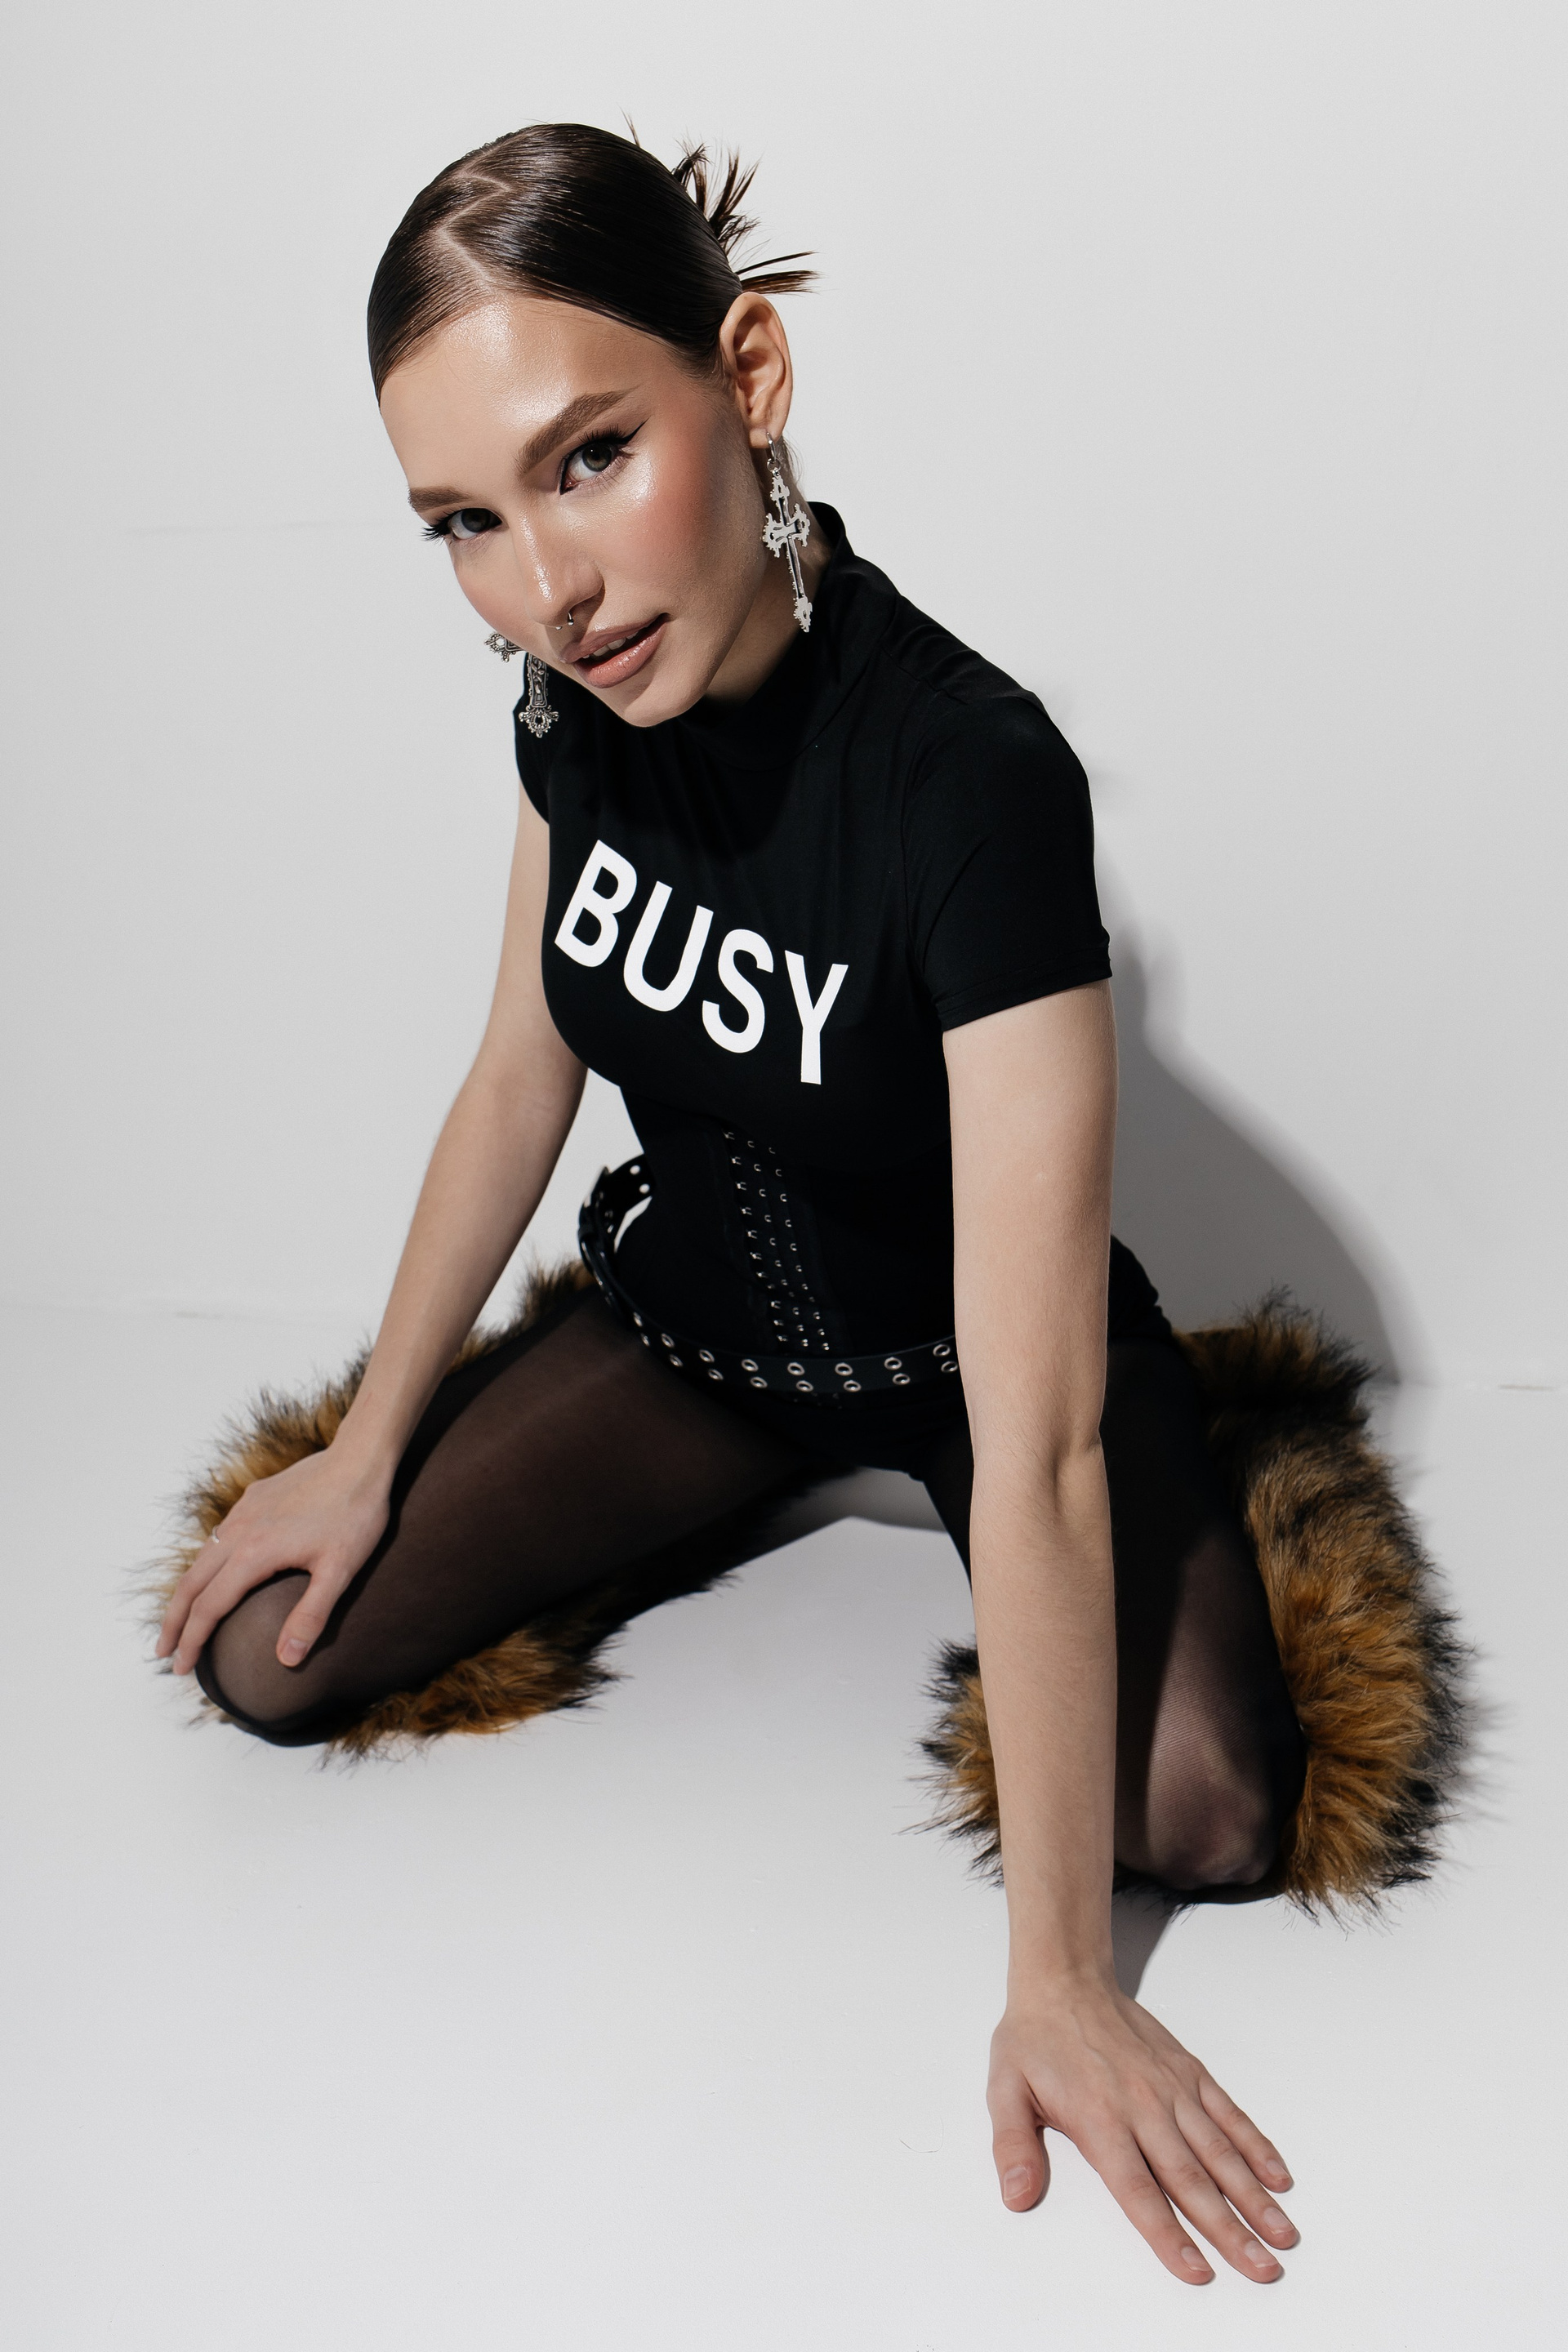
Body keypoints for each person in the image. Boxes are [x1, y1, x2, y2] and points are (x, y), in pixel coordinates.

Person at [154, 123, 1462, 2286]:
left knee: (1210, 1818)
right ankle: (684, 1460)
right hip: (701, 1336)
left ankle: (1221, 1458)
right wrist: (369, 1447)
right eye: (465, 522)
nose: (546, 586)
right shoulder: (573, 701)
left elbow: (1035, 1433)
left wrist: (1059, 1984)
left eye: (590, 459)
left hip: (974, 1372)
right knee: (278, 1663)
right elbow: (520, 1071)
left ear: (748, 376)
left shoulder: (970, 784)